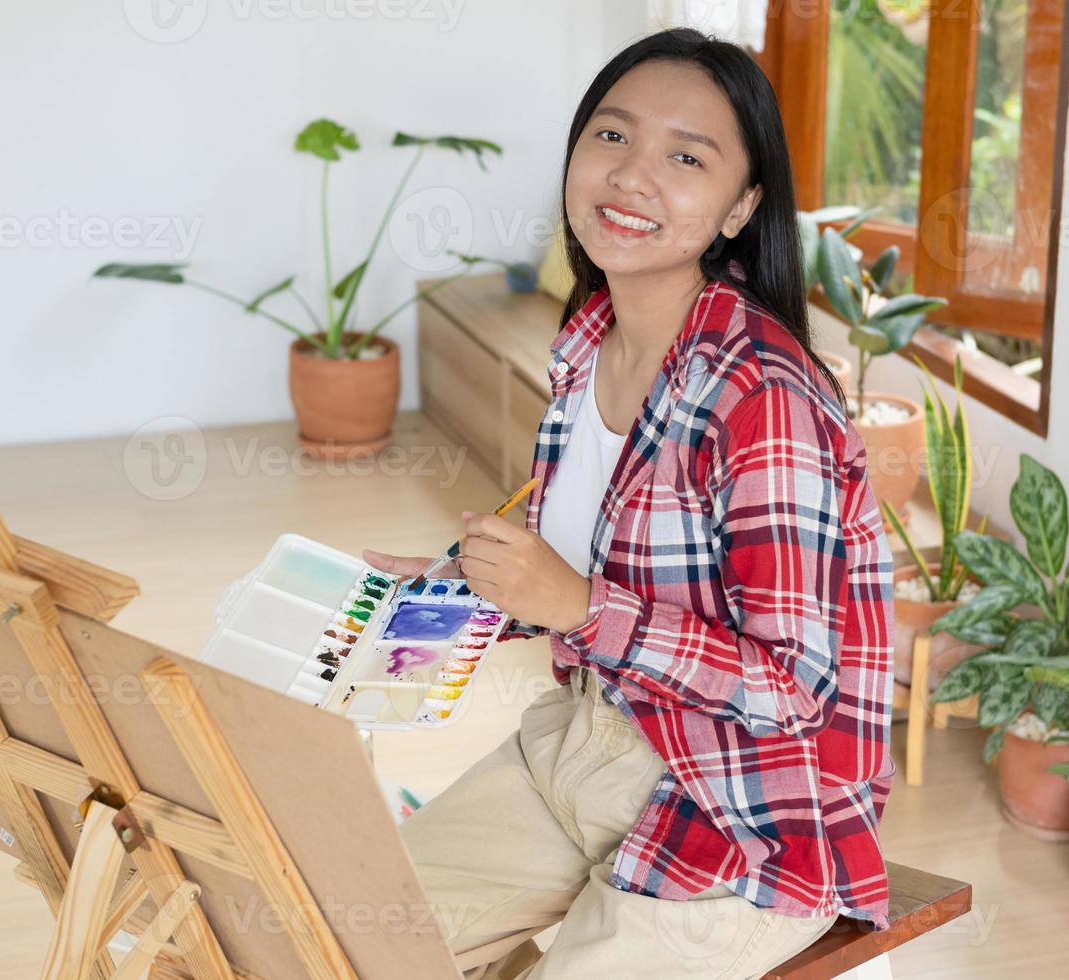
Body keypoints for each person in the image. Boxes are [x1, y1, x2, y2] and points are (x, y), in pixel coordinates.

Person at [363, 27, 896, 979]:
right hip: (585, 742)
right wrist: (460, 588)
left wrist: (574, 605)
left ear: (742, 207)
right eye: (612, 137)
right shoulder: (588, 343)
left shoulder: (761, 397)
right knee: (343, 943)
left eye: (685, 157)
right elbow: (589, 561)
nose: (632, 175)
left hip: (745, 814)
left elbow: (791, 687)